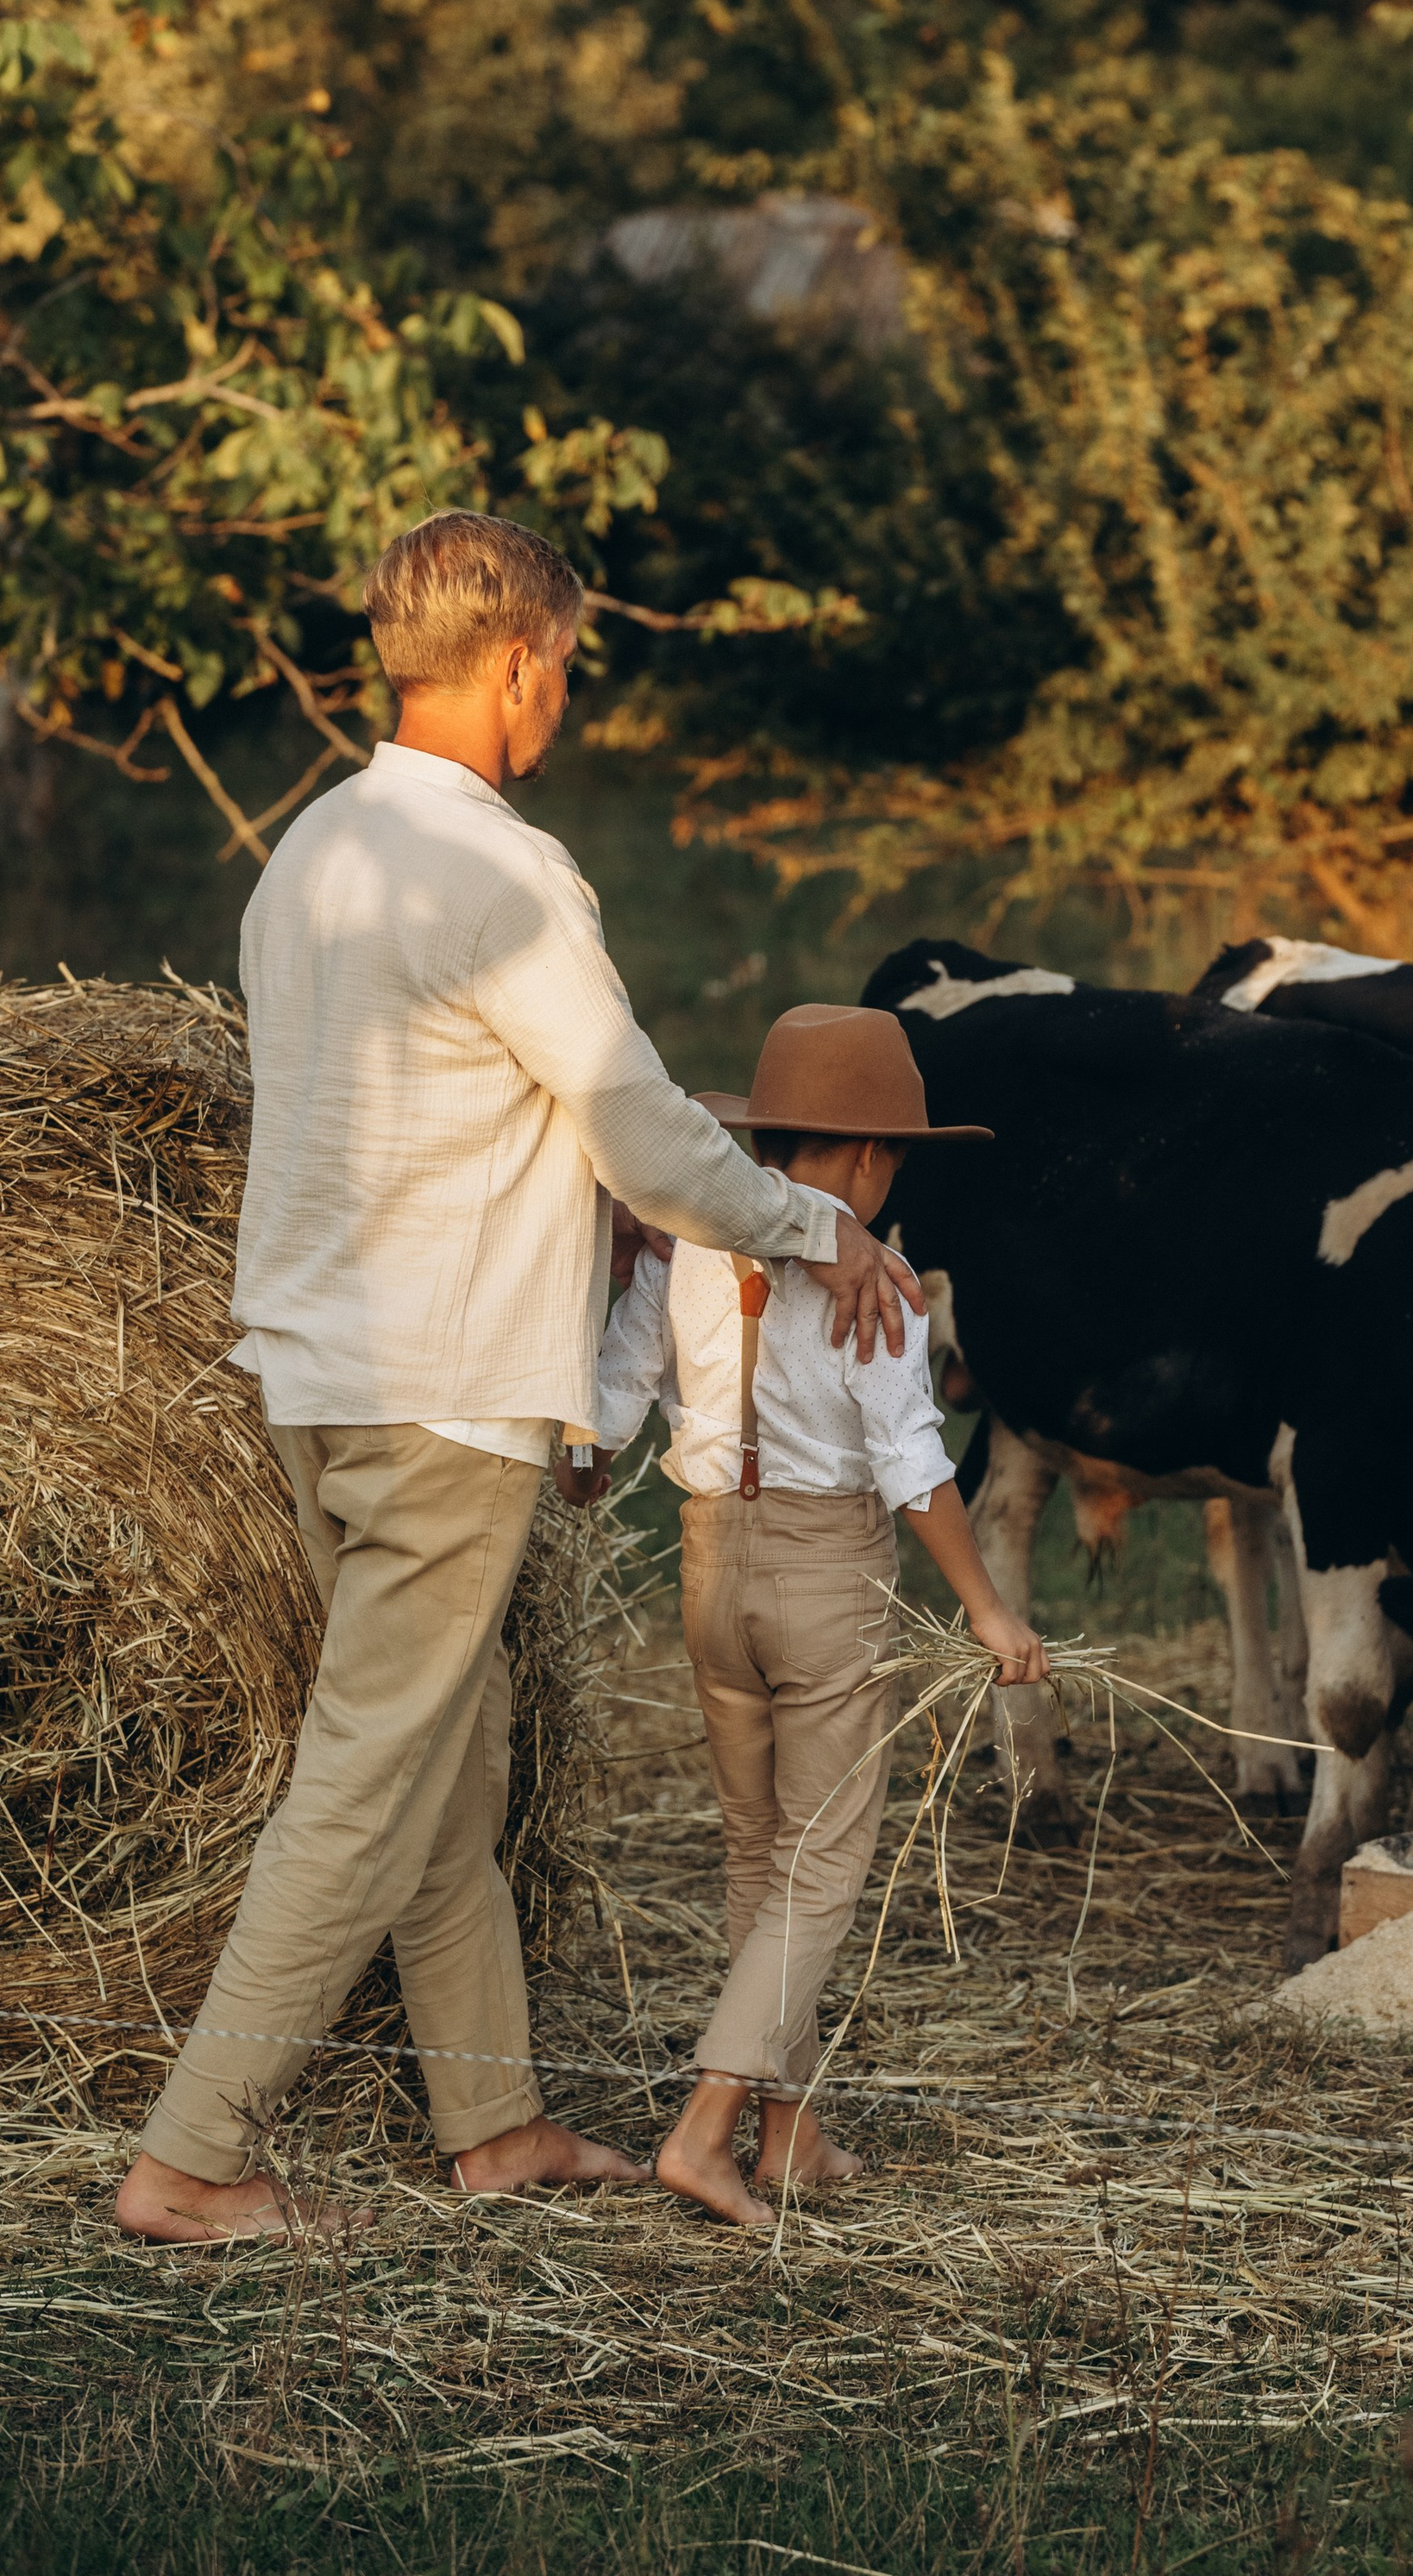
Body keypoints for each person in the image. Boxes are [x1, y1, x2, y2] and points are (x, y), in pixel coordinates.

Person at [114, 512, 922, 2244]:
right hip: (443, 1387)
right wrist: (802, 1223)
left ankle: (490, 2125)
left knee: (448, 1759)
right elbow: (636, 1128)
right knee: (372, 1763)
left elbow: (433, 1117)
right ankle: (192, 2156)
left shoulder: (310, 855)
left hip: (316, 1366)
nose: (565, 703)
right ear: (519, 663)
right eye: (566, 670)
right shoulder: (507, 875)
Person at [585, 1000, 1046, 2231]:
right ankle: (706, 2128)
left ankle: (791, 2133)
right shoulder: (873, 1281)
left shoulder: (690, 1242)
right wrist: (991, 1613)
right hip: (823, 1580)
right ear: (868, 1152)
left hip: (708, 1570)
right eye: (896, 1154)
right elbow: (913, 1464)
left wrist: (584, 1457)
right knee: (826, 1861)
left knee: (759, 1854)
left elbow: (621, 1381)